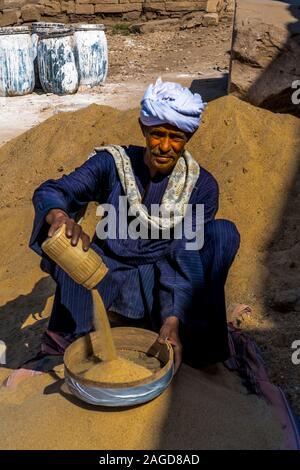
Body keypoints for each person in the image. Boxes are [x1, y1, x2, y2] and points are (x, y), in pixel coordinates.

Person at [29, 78, 240, 374]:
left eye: (176, 137)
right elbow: (53, 190)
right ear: (144, 129)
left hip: (161, 278)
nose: (165, 147)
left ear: (188, 138)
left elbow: (183, 253)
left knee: (222, 234)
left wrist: (173, 317)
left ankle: (197, 348)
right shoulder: (113, 164)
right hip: (106, 273)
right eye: (158, 135)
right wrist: (60, 217)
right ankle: (66, 341)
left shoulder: (201, 186)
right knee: (70, 244)